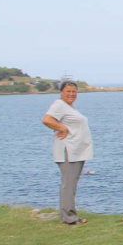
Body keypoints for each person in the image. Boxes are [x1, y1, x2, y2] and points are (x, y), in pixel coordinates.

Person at [41, 80, 93, 225]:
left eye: (74, 91)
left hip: (76, 151)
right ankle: (69, 217)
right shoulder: (59, 105)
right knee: (68, 184)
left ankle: (68, 215)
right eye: (68, 91)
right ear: (61, 92)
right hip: (68, 151)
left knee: (71, 184)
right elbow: (46, 119)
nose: (71, 94)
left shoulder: (68, 107)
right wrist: (62, 128)